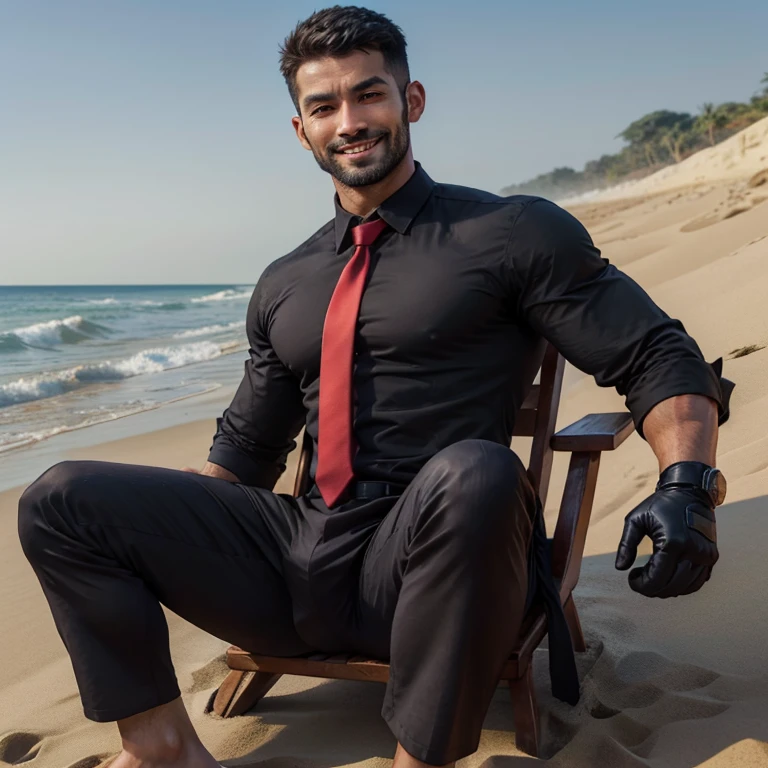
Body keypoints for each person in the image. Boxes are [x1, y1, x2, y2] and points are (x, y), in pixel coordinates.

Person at [18, 6, 733, 768]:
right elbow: (249, 449)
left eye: (369, 95)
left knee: (479, 470)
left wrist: (687, 483)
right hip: (301, 562)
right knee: (60, 497)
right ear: (301, 130)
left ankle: (420, 757)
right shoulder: (285, 281)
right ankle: (161, 748)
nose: (349, 122)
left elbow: (654, 352)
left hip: (439, 559)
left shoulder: (511, 233)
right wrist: (179, 517)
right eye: (324, 107)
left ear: (411, 101)